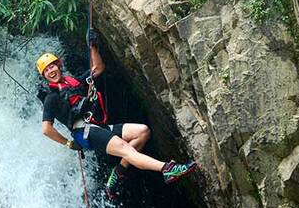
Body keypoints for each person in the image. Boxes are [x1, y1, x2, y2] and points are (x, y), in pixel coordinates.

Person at [37, 33, 197, 199]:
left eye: (52, 66)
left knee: (142, 132)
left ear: (58, 65)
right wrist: (69, 143)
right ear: (44, 76)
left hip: (99, 126)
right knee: (126, 149)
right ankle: (168, 169)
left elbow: (98, 68)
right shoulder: (52, 98)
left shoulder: (73, 82)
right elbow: (46, 129)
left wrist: (92, 47)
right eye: (47, 70)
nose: (51, 71)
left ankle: (118, 172)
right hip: (84, 132)